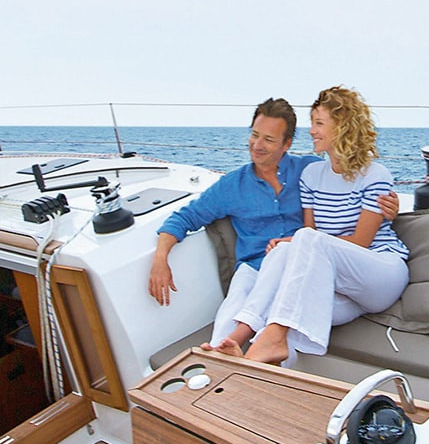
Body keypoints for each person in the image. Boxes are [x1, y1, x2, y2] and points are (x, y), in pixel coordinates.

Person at [148, 97, 398, 348]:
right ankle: (216, 359)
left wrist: (389, 206)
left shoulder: (308, 171)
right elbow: (185, 217)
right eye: (254, 135)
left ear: (286, 144)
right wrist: (160, 259)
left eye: (268, 139)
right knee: (230, 314)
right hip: (254, 269)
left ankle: (256, 354)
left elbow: (350, 189)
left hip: (297, 267)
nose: (257, 145)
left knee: (283, 307)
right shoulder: (231, 186)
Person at [208, 86, 410, 364]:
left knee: (298, 242)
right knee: (284, 297)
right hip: (339, 286)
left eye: (319, 123)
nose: (312, 131)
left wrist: (295, 241)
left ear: (342, 126)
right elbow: (312, 235)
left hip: (379, 274)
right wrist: (290, 244)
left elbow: (360, 242)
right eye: (312, 122)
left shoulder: (375, 175)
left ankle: (256, 339)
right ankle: (236, 354)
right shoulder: (312, 174)